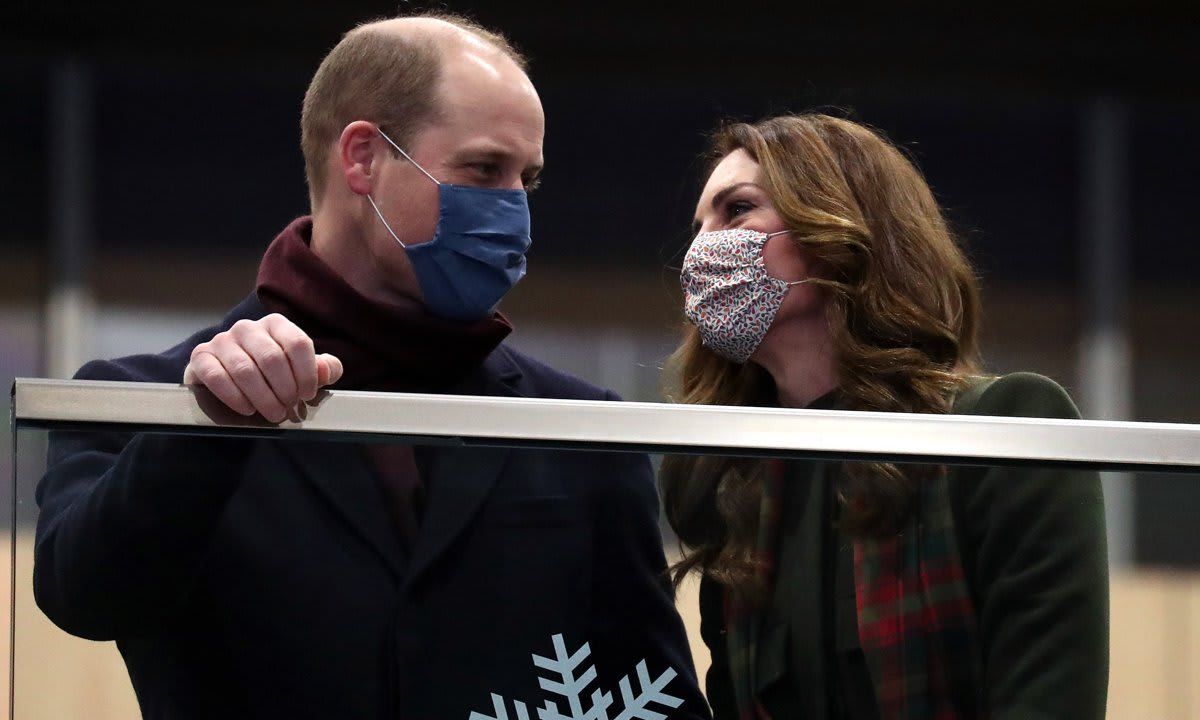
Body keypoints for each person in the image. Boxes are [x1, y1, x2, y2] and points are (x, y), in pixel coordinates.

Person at [33, 14, 708, 720]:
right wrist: (204, 429)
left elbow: (654, 697)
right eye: (483, 169)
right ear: (362, 158)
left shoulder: (579, 429)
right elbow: (85, 596)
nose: (514, 209)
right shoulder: (144, 400)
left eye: (527, 180)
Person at [660, 114, 1109, 719]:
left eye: (737, 210)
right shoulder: (733, 479)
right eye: (699, 226)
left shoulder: (1001, 428)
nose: (700, 250)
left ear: (840, 227)